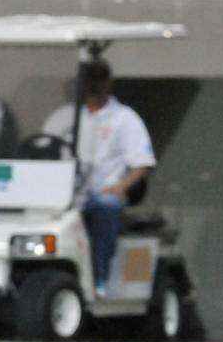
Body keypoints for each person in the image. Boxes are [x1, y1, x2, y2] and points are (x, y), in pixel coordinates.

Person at [43, 60, 155, 296]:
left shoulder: (124, 118)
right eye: (87, 80)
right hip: (67, 193)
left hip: (104, 191)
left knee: (105, 207)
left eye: (97, 80)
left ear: (107, 83)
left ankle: (99, 279)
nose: (92, 86)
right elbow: (44, 150)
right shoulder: (65, 117)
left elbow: (142, 163)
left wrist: (121, 186)